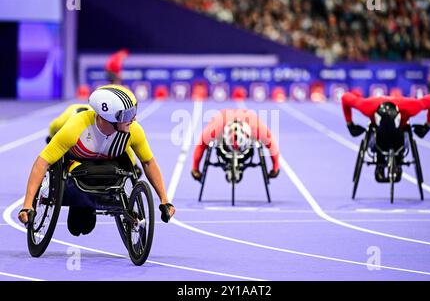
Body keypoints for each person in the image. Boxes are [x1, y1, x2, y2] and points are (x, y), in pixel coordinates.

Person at [18, 84, 175, 235]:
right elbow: (43, 162)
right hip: (77, 166)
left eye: (133, 111)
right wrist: (27, 205)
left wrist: (164, 200)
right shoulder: (76, 126)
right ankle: (83, 205)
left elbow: (148, 162)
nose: (134, 118)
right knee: (79, 226)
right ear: (109, 116)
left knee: (127, 164)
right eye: (127, 114)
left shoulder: (134, 130)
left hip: (111, 165)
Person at [341, 91, 430, 181]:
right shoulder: (368, 106)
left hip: (399, 132)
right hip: (379, 134)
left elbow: (345, 97)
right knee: (376, 133)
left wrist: (350, 124)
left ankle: (398, 158)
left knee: (402, 132)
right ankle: (380, 161)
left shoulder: (410, 106)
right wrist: (427, 125)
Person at [46, 103, 143, 178]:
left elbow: (53, 126)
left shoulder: (95, 116)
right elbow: (53, 127)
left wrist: (50, 138)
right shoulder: (68, 119)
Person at [191, 109, 280, 181]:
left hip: (248, 119)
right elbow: (201, 145)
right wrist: (195, 168)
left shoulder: (256, 127)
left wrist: (276, 167)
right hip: (223, 118)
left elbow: (271, 144)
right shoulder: (217, 126)